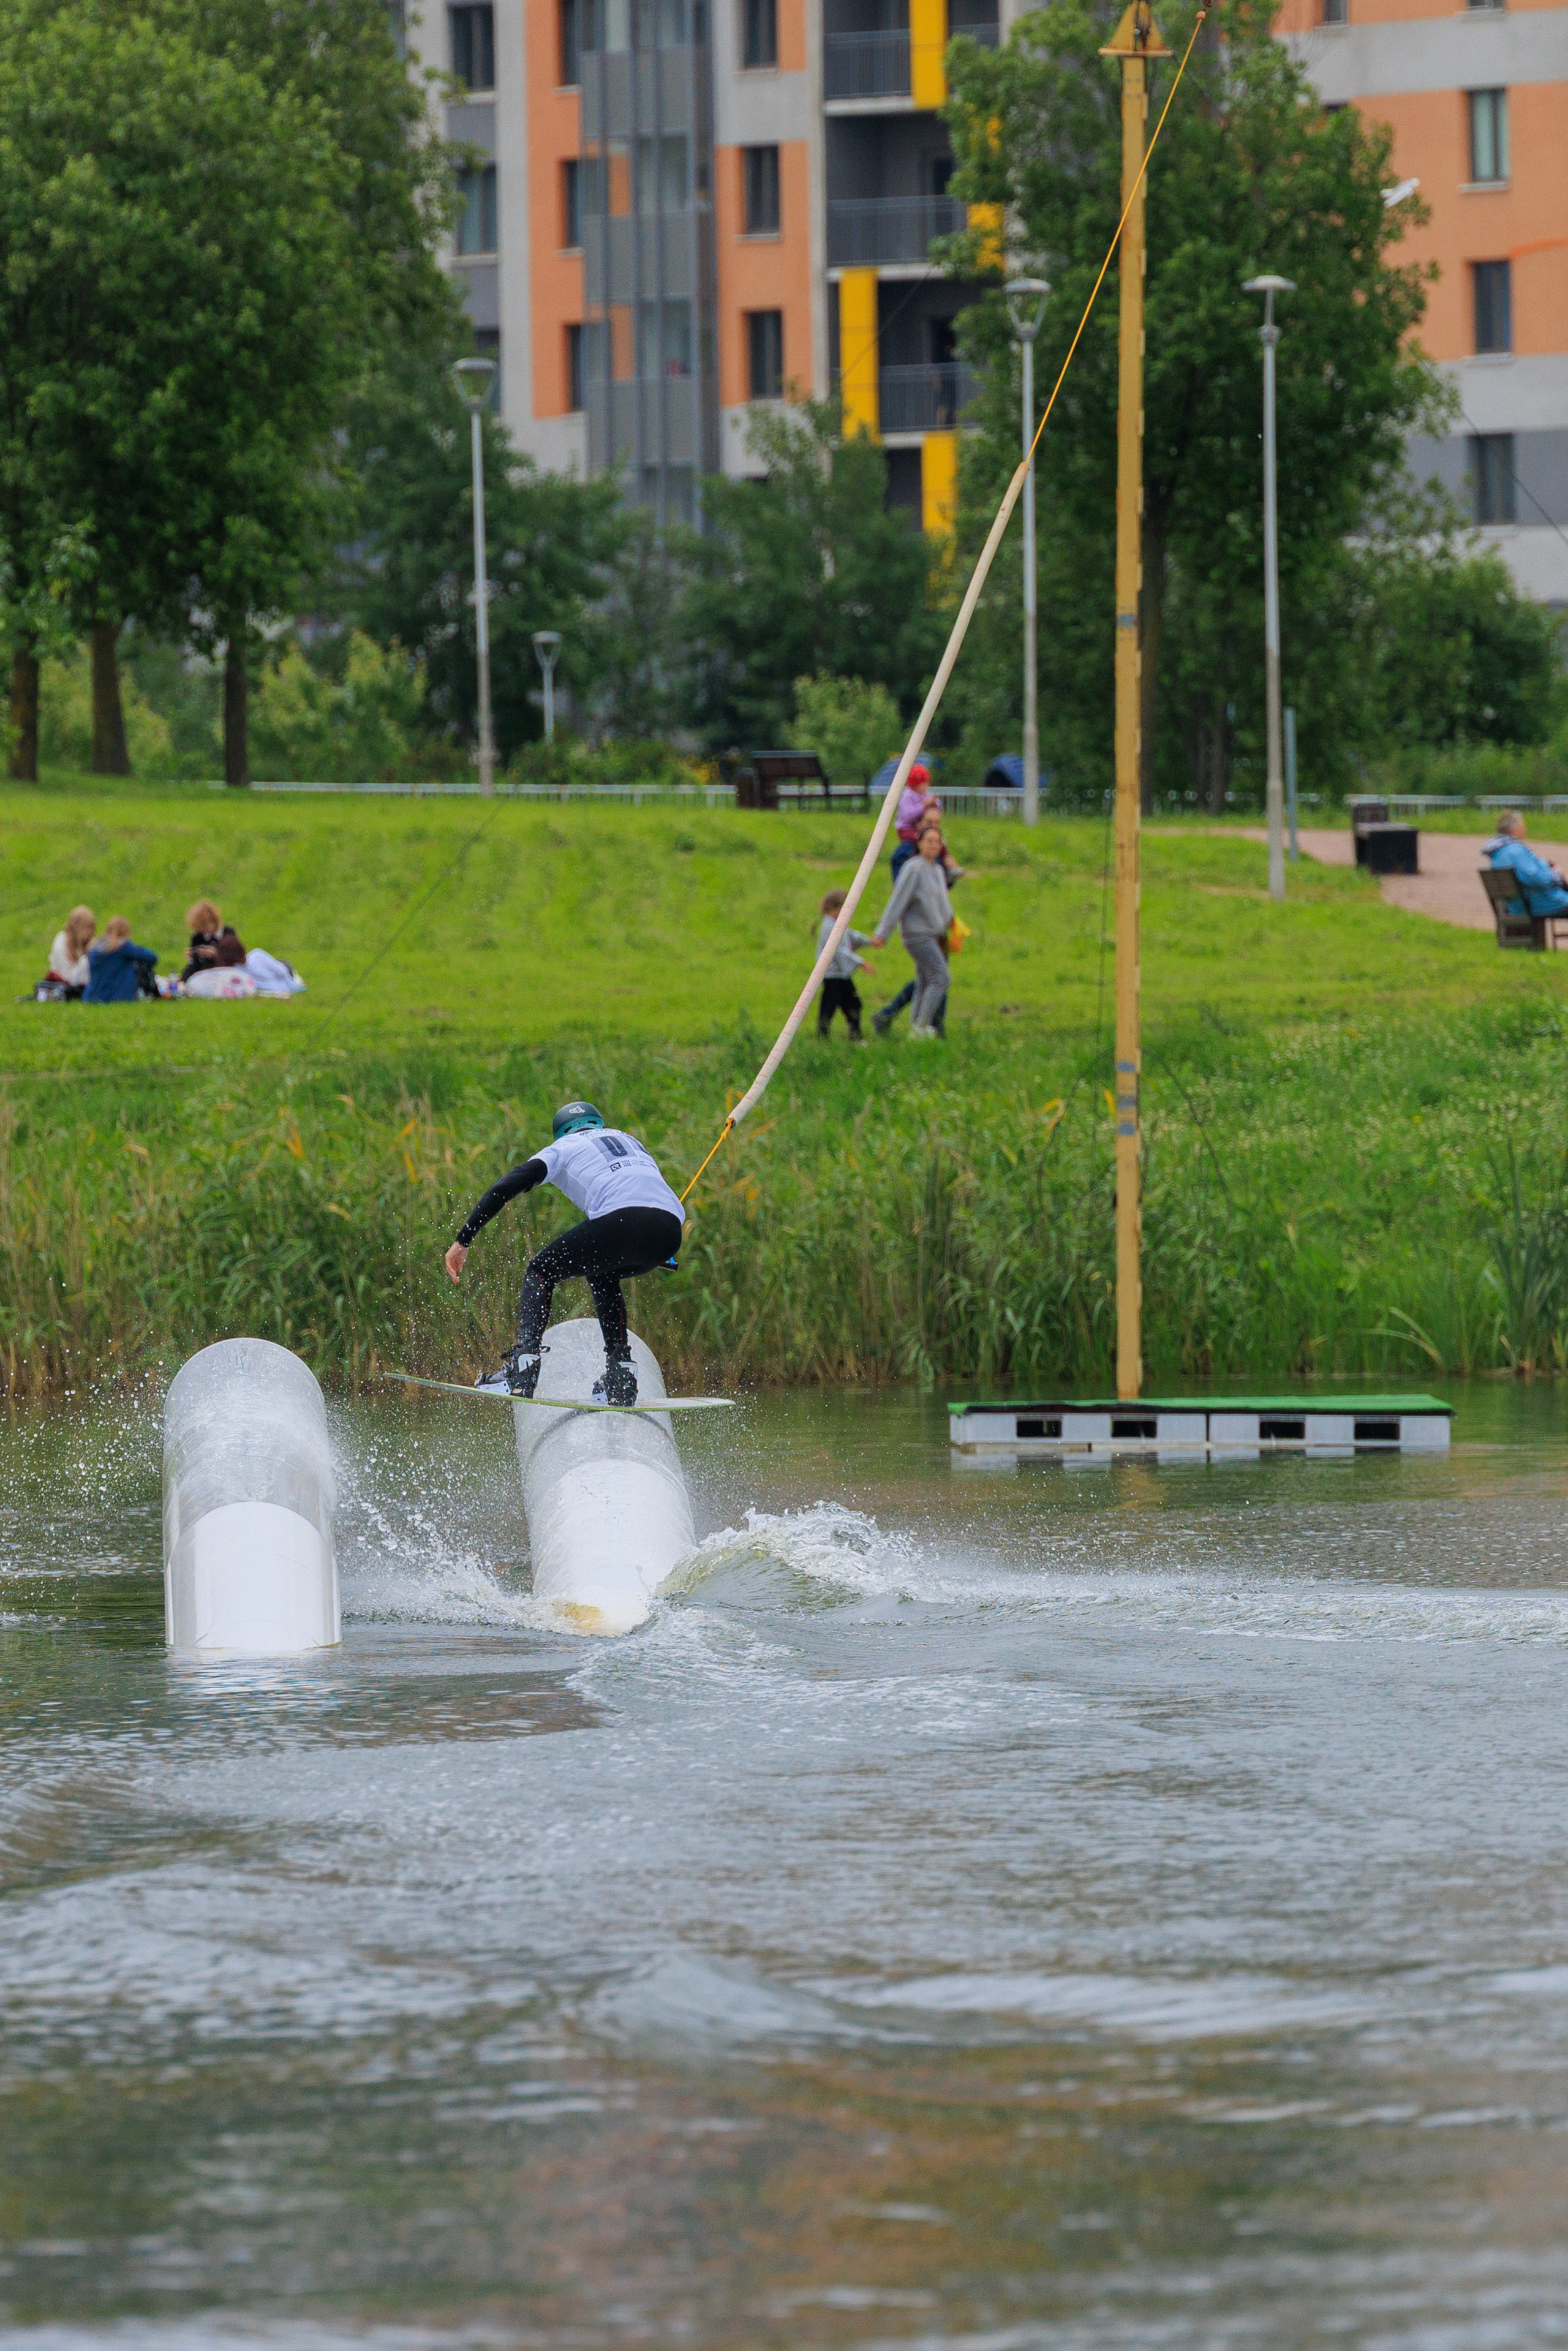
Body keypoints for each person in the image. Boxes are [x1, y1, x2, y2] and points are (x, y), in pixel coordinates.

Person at [444, 1101, 686, 1405]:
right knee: (603, 1272)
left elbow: (505, 1187)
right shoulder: (629, 1140)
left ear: (560, 1133)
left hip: (621, 1221)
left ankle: (523, 1369)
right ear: (598, 1123)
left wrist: (463, 1240)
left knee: (541, 1270)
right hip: (669, 1230)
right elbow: (643, 1190)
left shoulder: (563, 1148)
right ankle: (621, 1376)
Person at [873, 809, 964, 1036]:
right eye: (929, 841)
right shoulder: (913, 867)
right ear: (919, 842)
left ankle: (917, 1027)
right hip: (918, 935)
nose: (934, 845)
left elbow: (940, 901)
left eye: (938, 842)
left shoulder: (936, 868)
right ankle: (922, 1026)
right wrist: (883, 933)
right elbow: (898, 901)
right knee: (941, 978)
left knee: (925, 980)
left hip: (936, 934)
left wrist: (951, 925)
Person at [815, 888, 875, 1041]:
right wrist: (862, 963)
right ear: (836, 908)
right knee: (830, 1007)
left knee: (854, 1004)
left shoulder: (837, 924)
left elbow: (851, 936)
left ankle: (854, 1036)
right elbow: (840, 950)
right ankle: (823, 1037)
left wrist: (870, 941)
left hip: (841, 974)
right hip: (832, 975)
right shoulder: (829, 927)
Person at [1485, 809, 1568, 917]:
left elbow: (1525, 870)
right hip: (1536, 904)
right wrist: (1555, 874)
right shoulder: (1516, 851)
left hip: (1516, 906)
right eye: (1523, 826)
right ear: (1514, 829)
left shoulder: (1498, 853)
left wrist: (1544, 865)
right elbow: (1537, 879)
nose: (1525, 830)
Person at [84, 917, 158, 1004]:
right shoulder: (124, 948)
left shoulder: (95, 949)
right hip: (118, 997)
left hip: (92, 997)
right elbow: (152, 957)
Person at [183, 900, 247, 981]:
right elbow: (194, 965)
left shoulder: (228, 934)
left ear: (213, 921)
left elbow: (239, 959)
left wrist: (217, 954)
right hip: (203, 976)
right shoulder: (198, 937)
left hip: (226, 976)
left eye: (204, 926)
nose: (202, 930)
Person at [46, 906, 96, 996]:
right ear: (76, 928)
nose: (90, 933)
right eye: (87, 928)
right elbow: (68, 978)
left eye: (92, 928)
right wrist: (86, 958)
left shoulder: (85, 944)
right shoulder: (61, 944)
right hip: (64, 987)